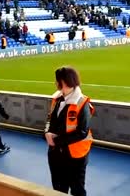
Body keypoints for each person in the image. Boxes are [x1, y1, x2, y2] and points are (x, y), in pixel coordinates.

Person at [45, 66, 95, 196]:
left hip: (75, 155)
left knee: (77, 190)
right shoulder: (56, 98)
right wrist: (46, 133)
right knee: (58, 189)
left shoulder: (82, 103)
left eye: (57, 80)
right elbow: (50, 118)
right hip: (56, 154)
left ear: (64, 81)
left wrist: (56, 140)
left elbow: (82, 132)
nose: (55, 83)